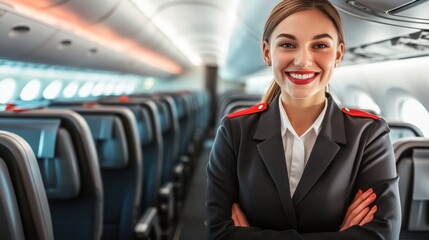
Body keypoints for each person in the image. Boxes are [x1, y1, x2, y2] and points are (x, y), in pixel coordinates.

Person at [205, 0, 401, 239]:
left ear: (338, 53)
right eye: (288, 44)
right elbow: (219, 233)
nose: (303, 60)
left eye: (319, 45)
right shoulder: (234, 132)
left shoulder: (369, 135)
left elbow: (381, 235)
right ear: (267, 52)